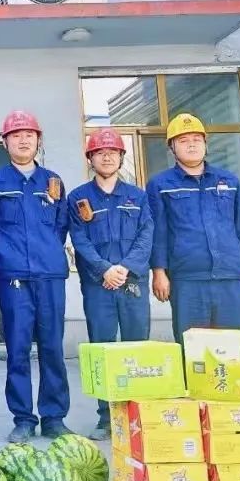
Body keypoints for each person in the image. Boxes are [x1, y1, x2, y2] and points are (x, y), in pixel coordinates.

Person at [0, 110, 72, 444]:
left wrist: (46, 253)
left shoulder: (53, 182)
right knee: (17, 350)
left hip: (50, 276)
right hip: (13, 276)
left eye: (29, 134)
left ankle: (54, 417)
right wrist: (7, 256)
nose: (23, 140)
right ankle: (23, 419)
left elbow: (60, 227)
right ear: (5, 143)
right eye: (16, 135)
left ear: (38, 140)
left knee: (52, 347)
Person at [67, 127, 154, 441]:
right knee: (102, 351)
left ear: (121, 157)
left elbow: (146, 236)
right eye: (100, 153)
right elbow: (80, 240)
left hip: (132, 284)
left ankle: (136, 415)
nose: (107, 157)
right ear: (90, 158)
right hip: (98, 286)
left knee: (136, 348)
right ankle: (106, 418)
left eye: (113, 152)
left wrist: (125, 269)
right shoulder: (78, 198)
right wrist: (104, 270)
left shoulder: (138, 197)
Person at [147, 113, 240, 343]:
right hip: (187, 279)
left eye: (197, 139)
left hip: (230, 277)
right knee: (193, 348)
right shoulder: (160, 185)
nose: (191, 144)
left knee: (233, 347)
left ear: (205, 144)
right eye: (183, 140)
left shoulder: (228, 181)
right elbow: (158, 232)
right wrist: (159, 272)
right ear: (172, 148)